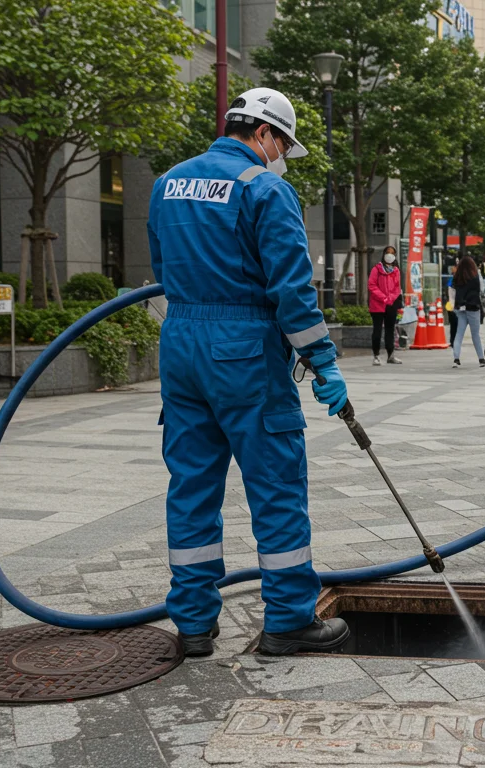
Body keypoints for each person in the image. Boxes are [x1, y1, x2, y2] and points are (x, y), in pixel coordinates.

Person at [147, 87, 350, 657]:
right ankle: (287, 619)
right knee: (276, 484)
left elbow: (163, 268)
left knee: (191, 486)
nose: (280, 155)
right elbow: (292, 289)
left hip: (181, 343)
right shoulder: (265, 188)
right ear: (264, 134)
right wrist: (324, 363)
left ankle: (191, 624)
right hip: (243, 349)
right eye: (282, 144)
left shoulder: (168, 184)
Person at [367, 245, 403, 366]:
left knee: (390, 330)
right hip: (377, 305)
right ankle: (376, 356)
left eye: (392, 253)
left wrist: (390, 299)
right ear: (384, 254)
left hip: (391, 305)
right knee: (377, 330)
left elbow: (397, 288)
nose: (390, 255)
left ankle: (391, 355)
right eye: (388, 252)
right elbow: (372, 285)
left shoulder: (396, 270)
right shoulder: (376, 269)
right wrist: (383, 297)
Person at [450, 254, 485, 368]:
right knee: (475, 334)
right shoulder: (476, 276)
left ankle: (456, 359)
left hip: (460, 307)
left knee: (459, 334)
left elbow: (453, 291)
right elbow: (482, 289)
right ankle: (481, 359)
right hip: (473, 306)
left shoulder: (457, 276)